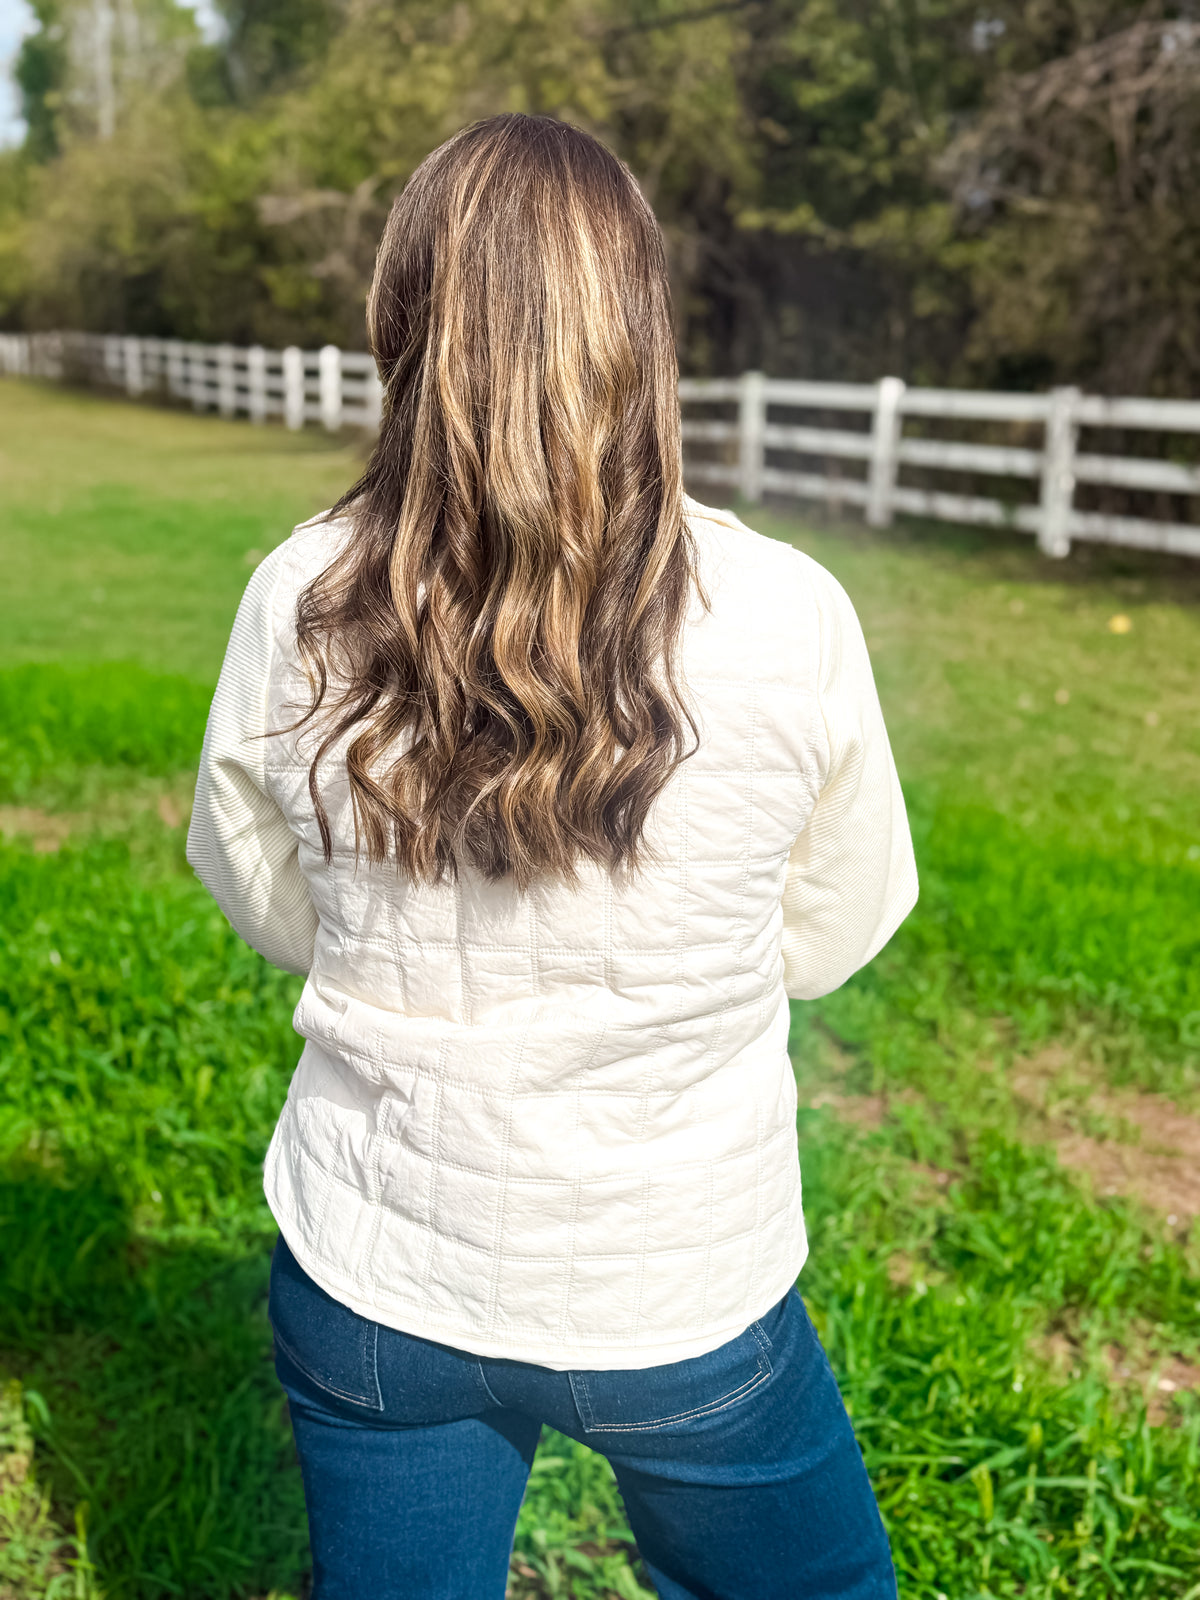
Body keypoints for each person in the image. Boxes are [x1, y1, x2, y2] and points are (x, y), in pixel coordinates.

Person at [187, 112, 917, 1600]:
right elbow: (841, 920)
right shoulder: (788, 613)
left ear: (406, 316)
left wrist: (382, 945)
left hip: (379, 1263)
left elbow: (253, 876)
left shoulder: (297, 593)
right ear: (639, 326)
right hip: (675, 1279)